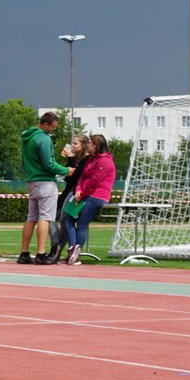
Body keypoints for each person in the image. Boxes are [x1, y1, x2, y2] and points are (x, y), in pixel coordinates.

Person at [17, 112, 68, 265]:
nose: (53, 130)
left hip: (32, 181)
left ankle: (24, 253)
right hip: (45, 182)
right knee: (44, 218)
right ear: (45, 124)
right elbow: (49, 163)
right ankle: (41, 253)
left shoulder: (28, 137)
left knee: (31, 218)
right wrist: (66, 170)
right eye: (52, 127)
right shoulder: (43, 138)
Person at [58, 135, 115, 265]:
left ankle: (74, 255)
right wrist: (78, 190)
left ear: (96, 145)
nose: (87, 145)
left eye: (89, 143)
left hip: (97, 196)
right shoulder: (91, 159)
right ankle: (73, 250)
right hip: (84, 194)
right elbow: (82, 177)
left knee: (82, 223)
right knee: (67, 218)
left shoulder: (105, 161)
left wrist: (82, 193)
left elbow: (96, 181)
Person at [47, 134, 91, 260]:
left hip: (76, 194)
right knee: (49, 217)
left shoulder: (86, 159)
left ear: (83, 145)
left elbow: (77, 177)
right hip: (67, 192)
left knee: (65, 221)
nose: (72, 146)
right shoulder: (76, 159)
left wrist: (71, 159)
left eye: (75, 143)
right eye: (72, 143)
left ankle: (58, 249)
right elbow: (69, 175)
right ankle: (57, 246)